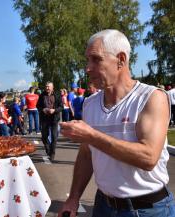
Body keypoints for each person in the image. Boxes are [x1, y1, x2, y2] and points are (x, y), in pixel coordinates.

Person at [58, 29, 175, 217]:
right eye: (87, 60)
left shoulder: (151, 98)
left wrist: (91, 136)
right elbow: (87, 154)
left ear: (121, 59)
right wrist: (73, 198)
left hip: (148, 210)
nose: (88, 68)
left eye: (96, 59)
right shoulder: (90, 104)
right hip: (103, 205)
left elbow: (148, 158)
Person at [37, 82, 63, 160]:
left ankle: (52, 153)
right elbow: (38, 106)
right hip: (44, 118)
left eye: (48, 87)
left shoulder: (57, 95)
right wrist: (43, 109)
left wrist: (54, 110)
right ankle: (48, 148)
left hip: (54, 118)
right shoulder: (42, 95)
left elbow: (61, 107)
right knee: (44, 136)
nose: (47, 88)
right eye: (46, 86)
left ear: (52, 87)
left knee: (54, 137)